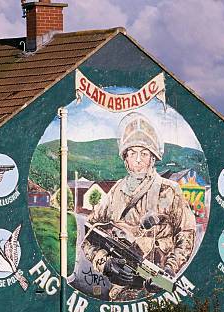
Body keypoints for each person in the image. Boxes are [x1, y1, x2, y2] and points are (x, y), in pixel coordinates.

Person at [82, 112, 196, 301]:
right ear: (125, 158)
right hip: (121, 292)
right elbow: (88, 235)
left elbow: (186, 235)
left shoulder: (169, 191)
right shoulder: (115, 192)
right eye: (132, 153)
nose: (138, 159)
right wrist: (106, 263)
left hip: (156, 290)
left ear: (153, 158)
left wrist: (168, 270)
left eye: (144, 153)